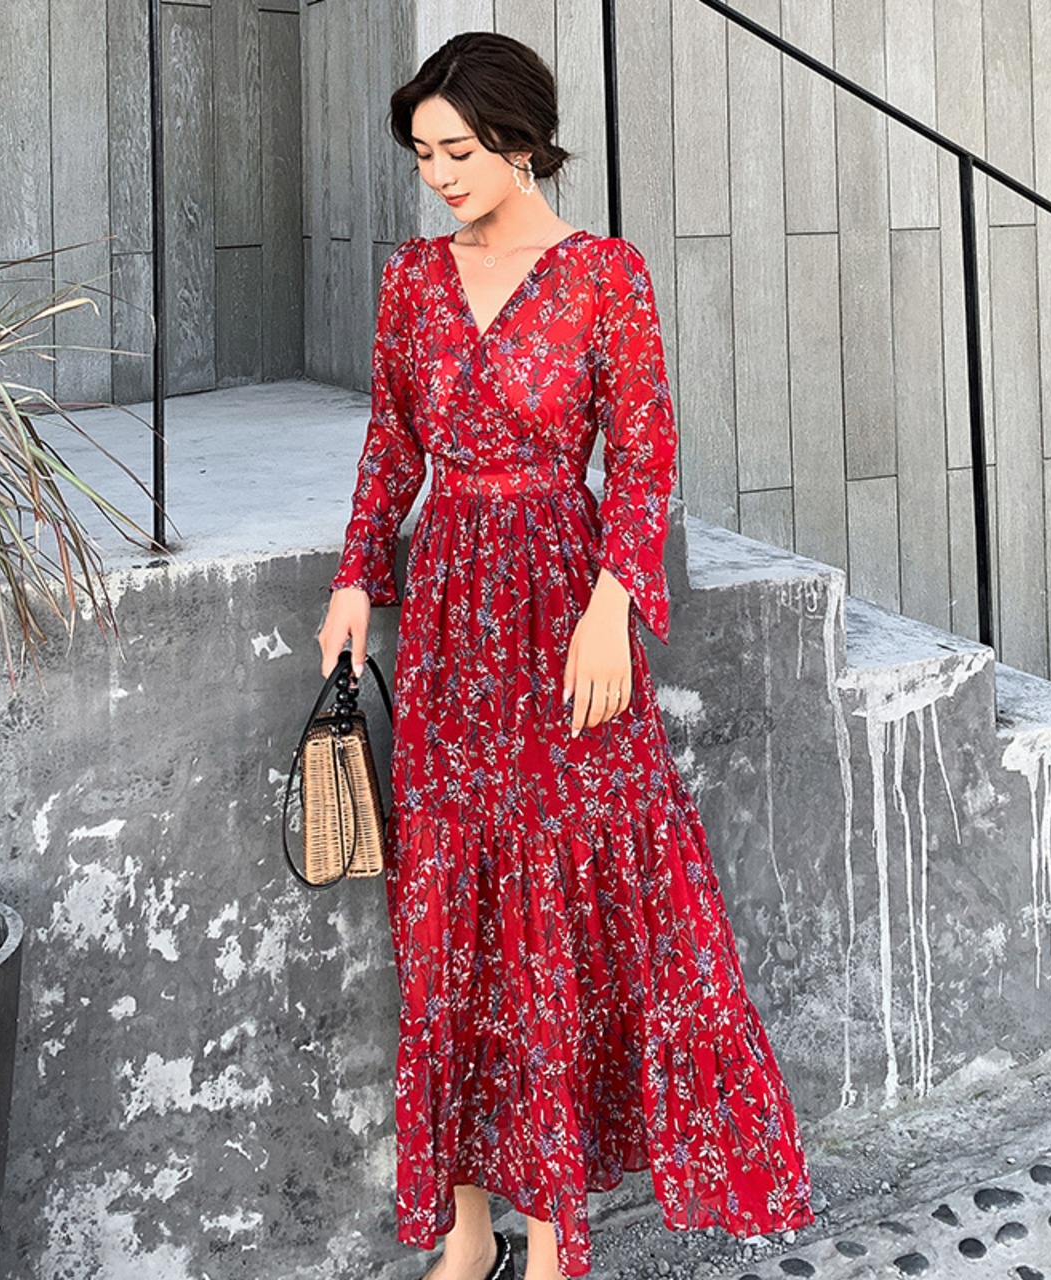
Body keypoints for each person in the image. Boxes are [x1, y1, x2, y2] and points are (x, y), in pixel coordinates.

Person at [316, 30, 815, 1280]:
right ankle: (464, 1230)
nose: (438, 174)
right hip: (449, 623)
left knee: (556, 916)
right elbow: (392, 447)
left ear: (523, 141)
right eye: (422, 154)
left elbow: (642, 454)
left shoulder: (604, 276)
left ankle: (548, 1240)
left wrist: (613, 599)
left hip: (562, 614)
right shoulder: (411, 283)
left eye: (458, 150)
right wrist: (355, 578)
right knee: (447, 914)